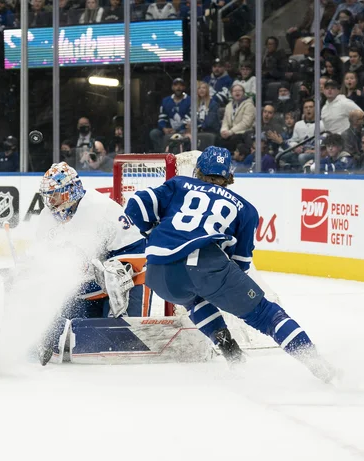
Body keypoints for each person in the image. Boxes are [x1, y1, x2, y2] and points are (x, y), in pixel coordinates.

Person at [125, 146, 336, 383]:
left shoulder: (178, 184)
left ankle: (232, 354)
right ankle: (321, 367)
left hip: (158, 273)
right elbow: (240, 264)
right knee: (266, 314)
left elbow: (135, 205)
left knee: (195, 301)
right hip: (203, 264)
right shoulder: (245, 209)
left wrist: (153, 233)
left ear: (197, 170)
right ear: (229, 177)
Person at [27, 162, 148, 364]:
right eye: (48, 195)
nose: (51, 201)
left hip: (114, 286)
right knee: (66, 323)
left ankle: (127, 328)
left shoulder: (103, 209)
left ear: (71, 191)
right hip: (81, 287)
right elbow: (42, 257)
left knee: (120, 341)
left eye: (55, 195)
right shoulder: (47, 217)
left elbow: (135, 248)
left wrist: (116, 269)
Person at [150, 77, 191, 151]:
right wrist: (164, 128)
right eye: (176, 85)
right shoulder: (166, 101)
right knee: (154, 133)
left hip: (183, 130)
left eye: (180, 85)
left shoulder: (189, 100)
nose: (178, 87)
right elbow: (162, 117)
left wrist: (178, 129)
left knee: (181, 135)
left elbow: (189, 118)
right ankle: (162, 153)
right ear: (172, 87)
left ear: (184, 87)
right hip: (169, 129)